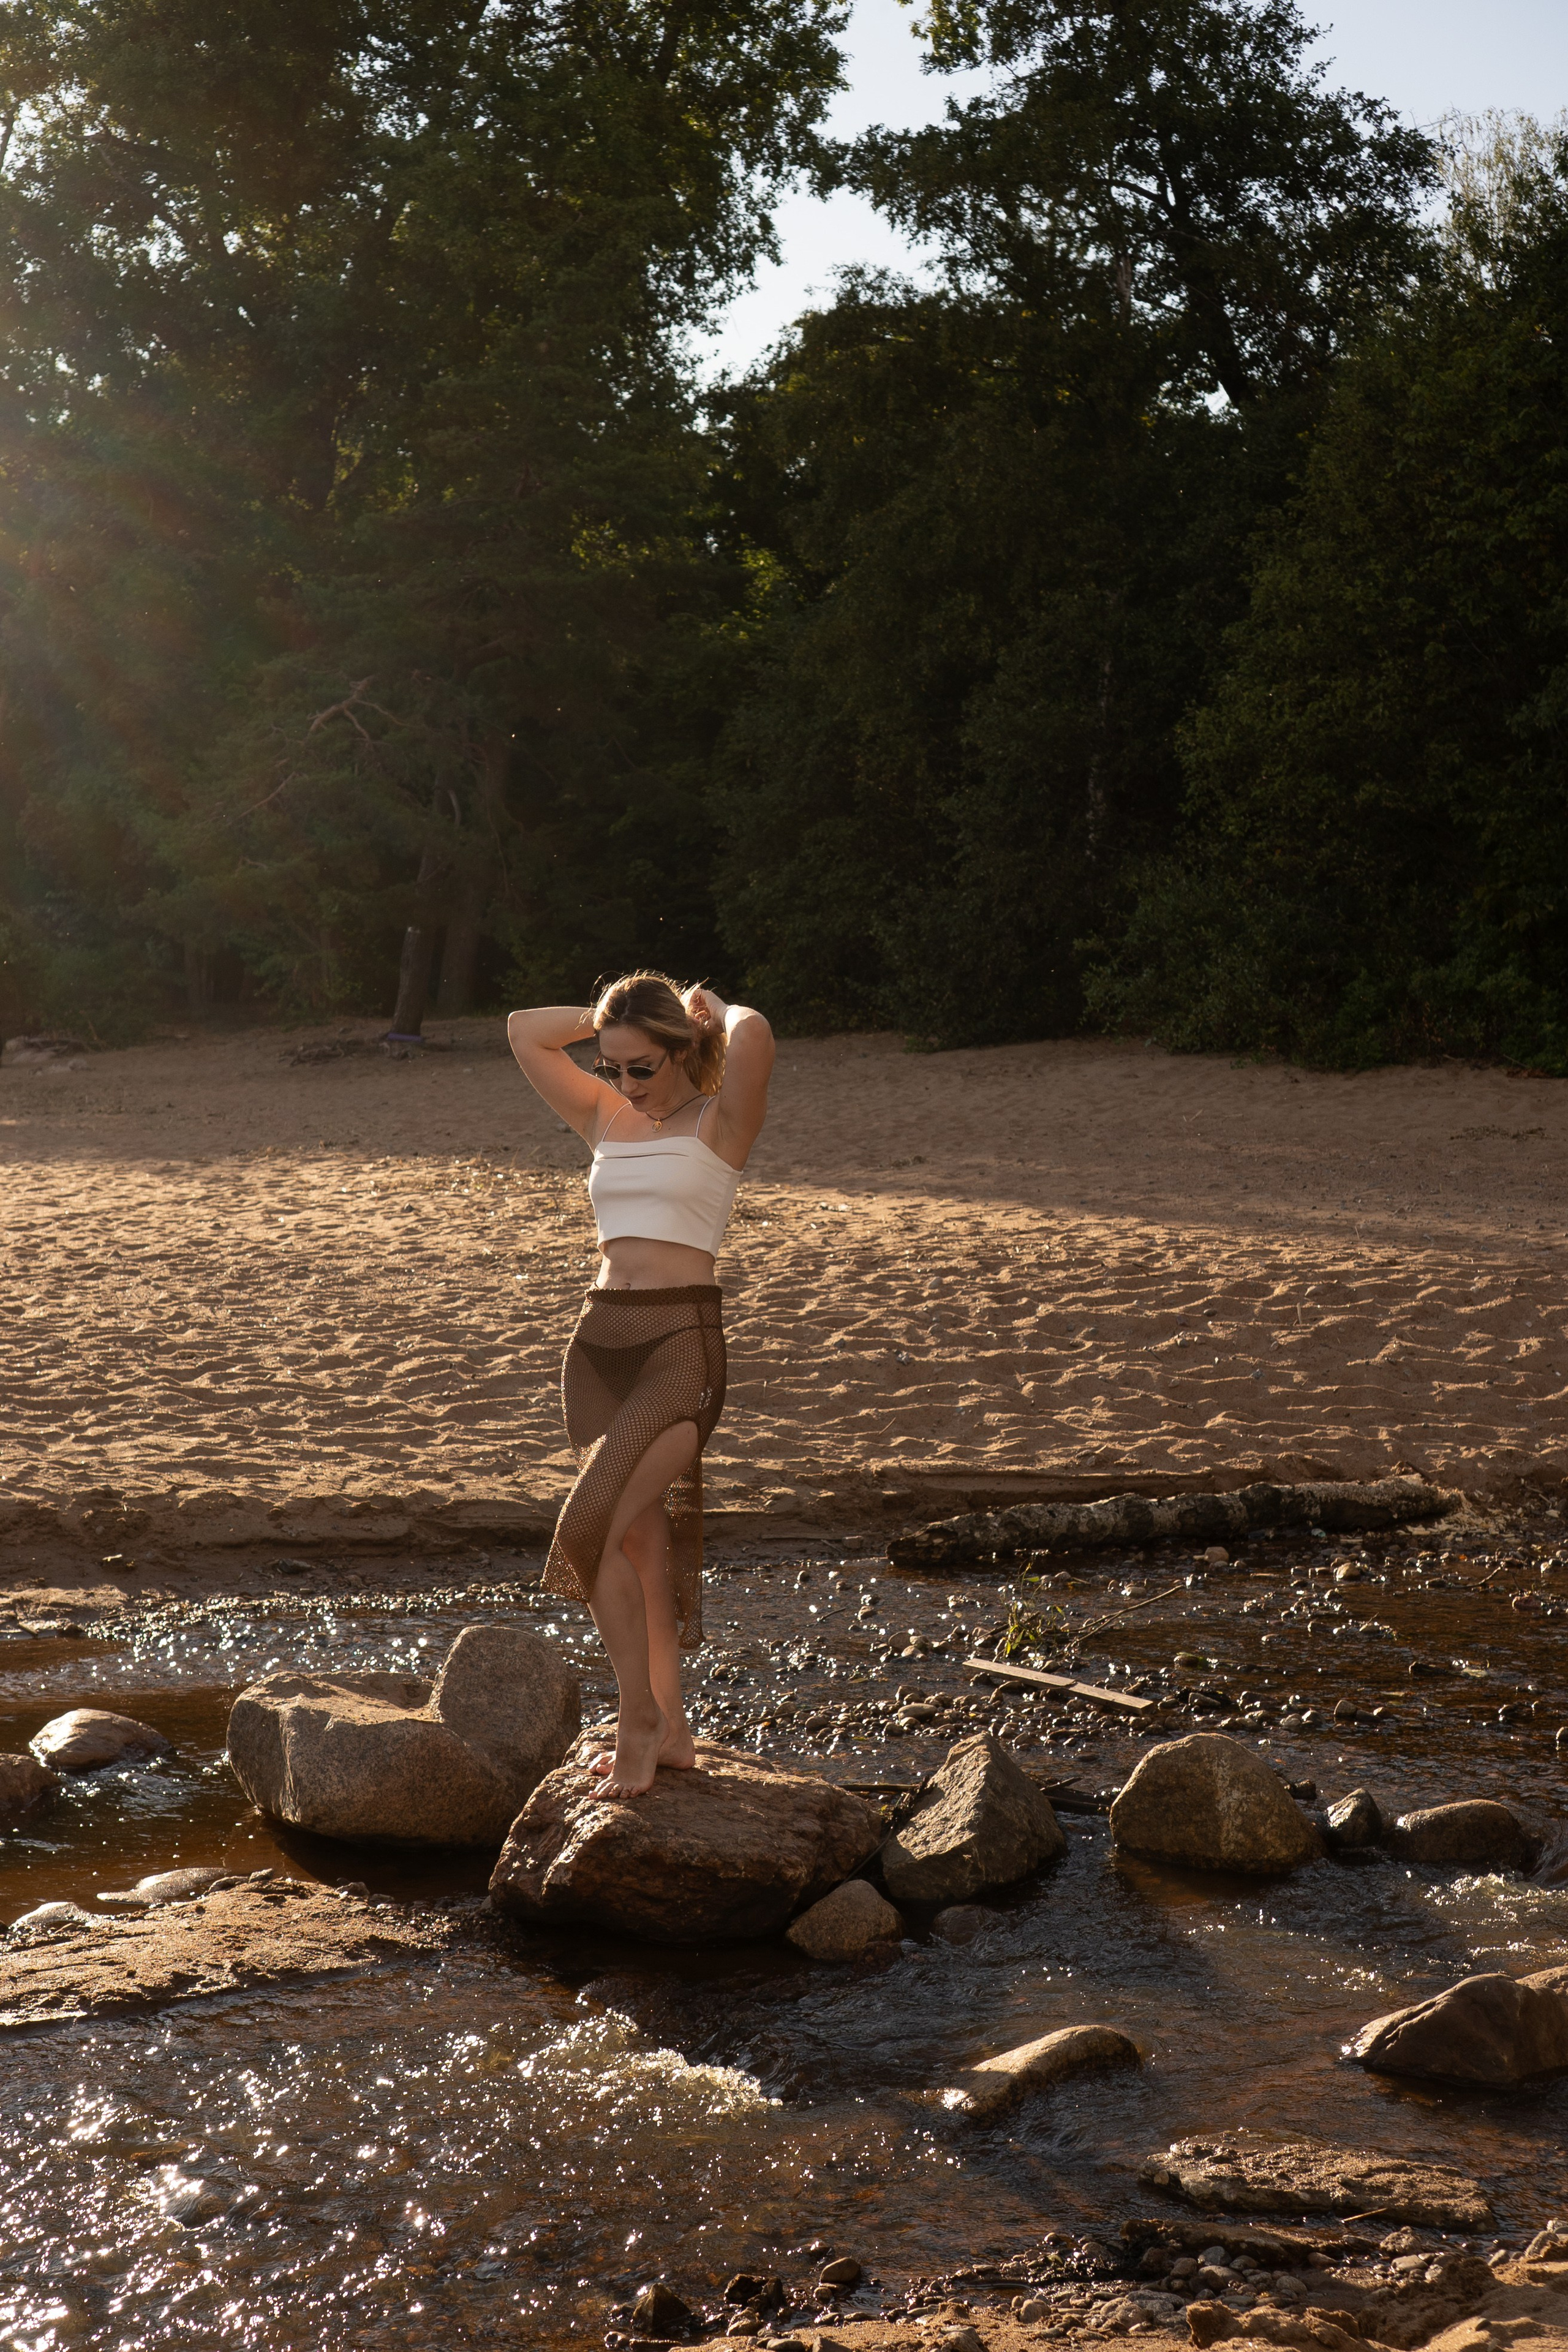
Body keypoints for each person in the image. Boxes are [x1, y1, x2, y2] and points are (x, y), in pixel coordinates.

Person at [507, 973, 775, 1797]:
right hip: (596, 1350)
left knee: (587, 1528)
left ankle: (637, 1719)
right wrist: (611, 1019)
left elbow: (756, 1031)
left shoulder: (720, 1121)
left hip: (679, 1350)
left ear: (684, 1051)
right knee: (638, 1544)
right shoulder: (605, 1115)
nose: (625, 1083)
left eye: (641, 1067)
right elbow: (523, 1029)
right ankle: (676, 1728)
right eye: (612, 1066)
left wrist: (710, 1007)